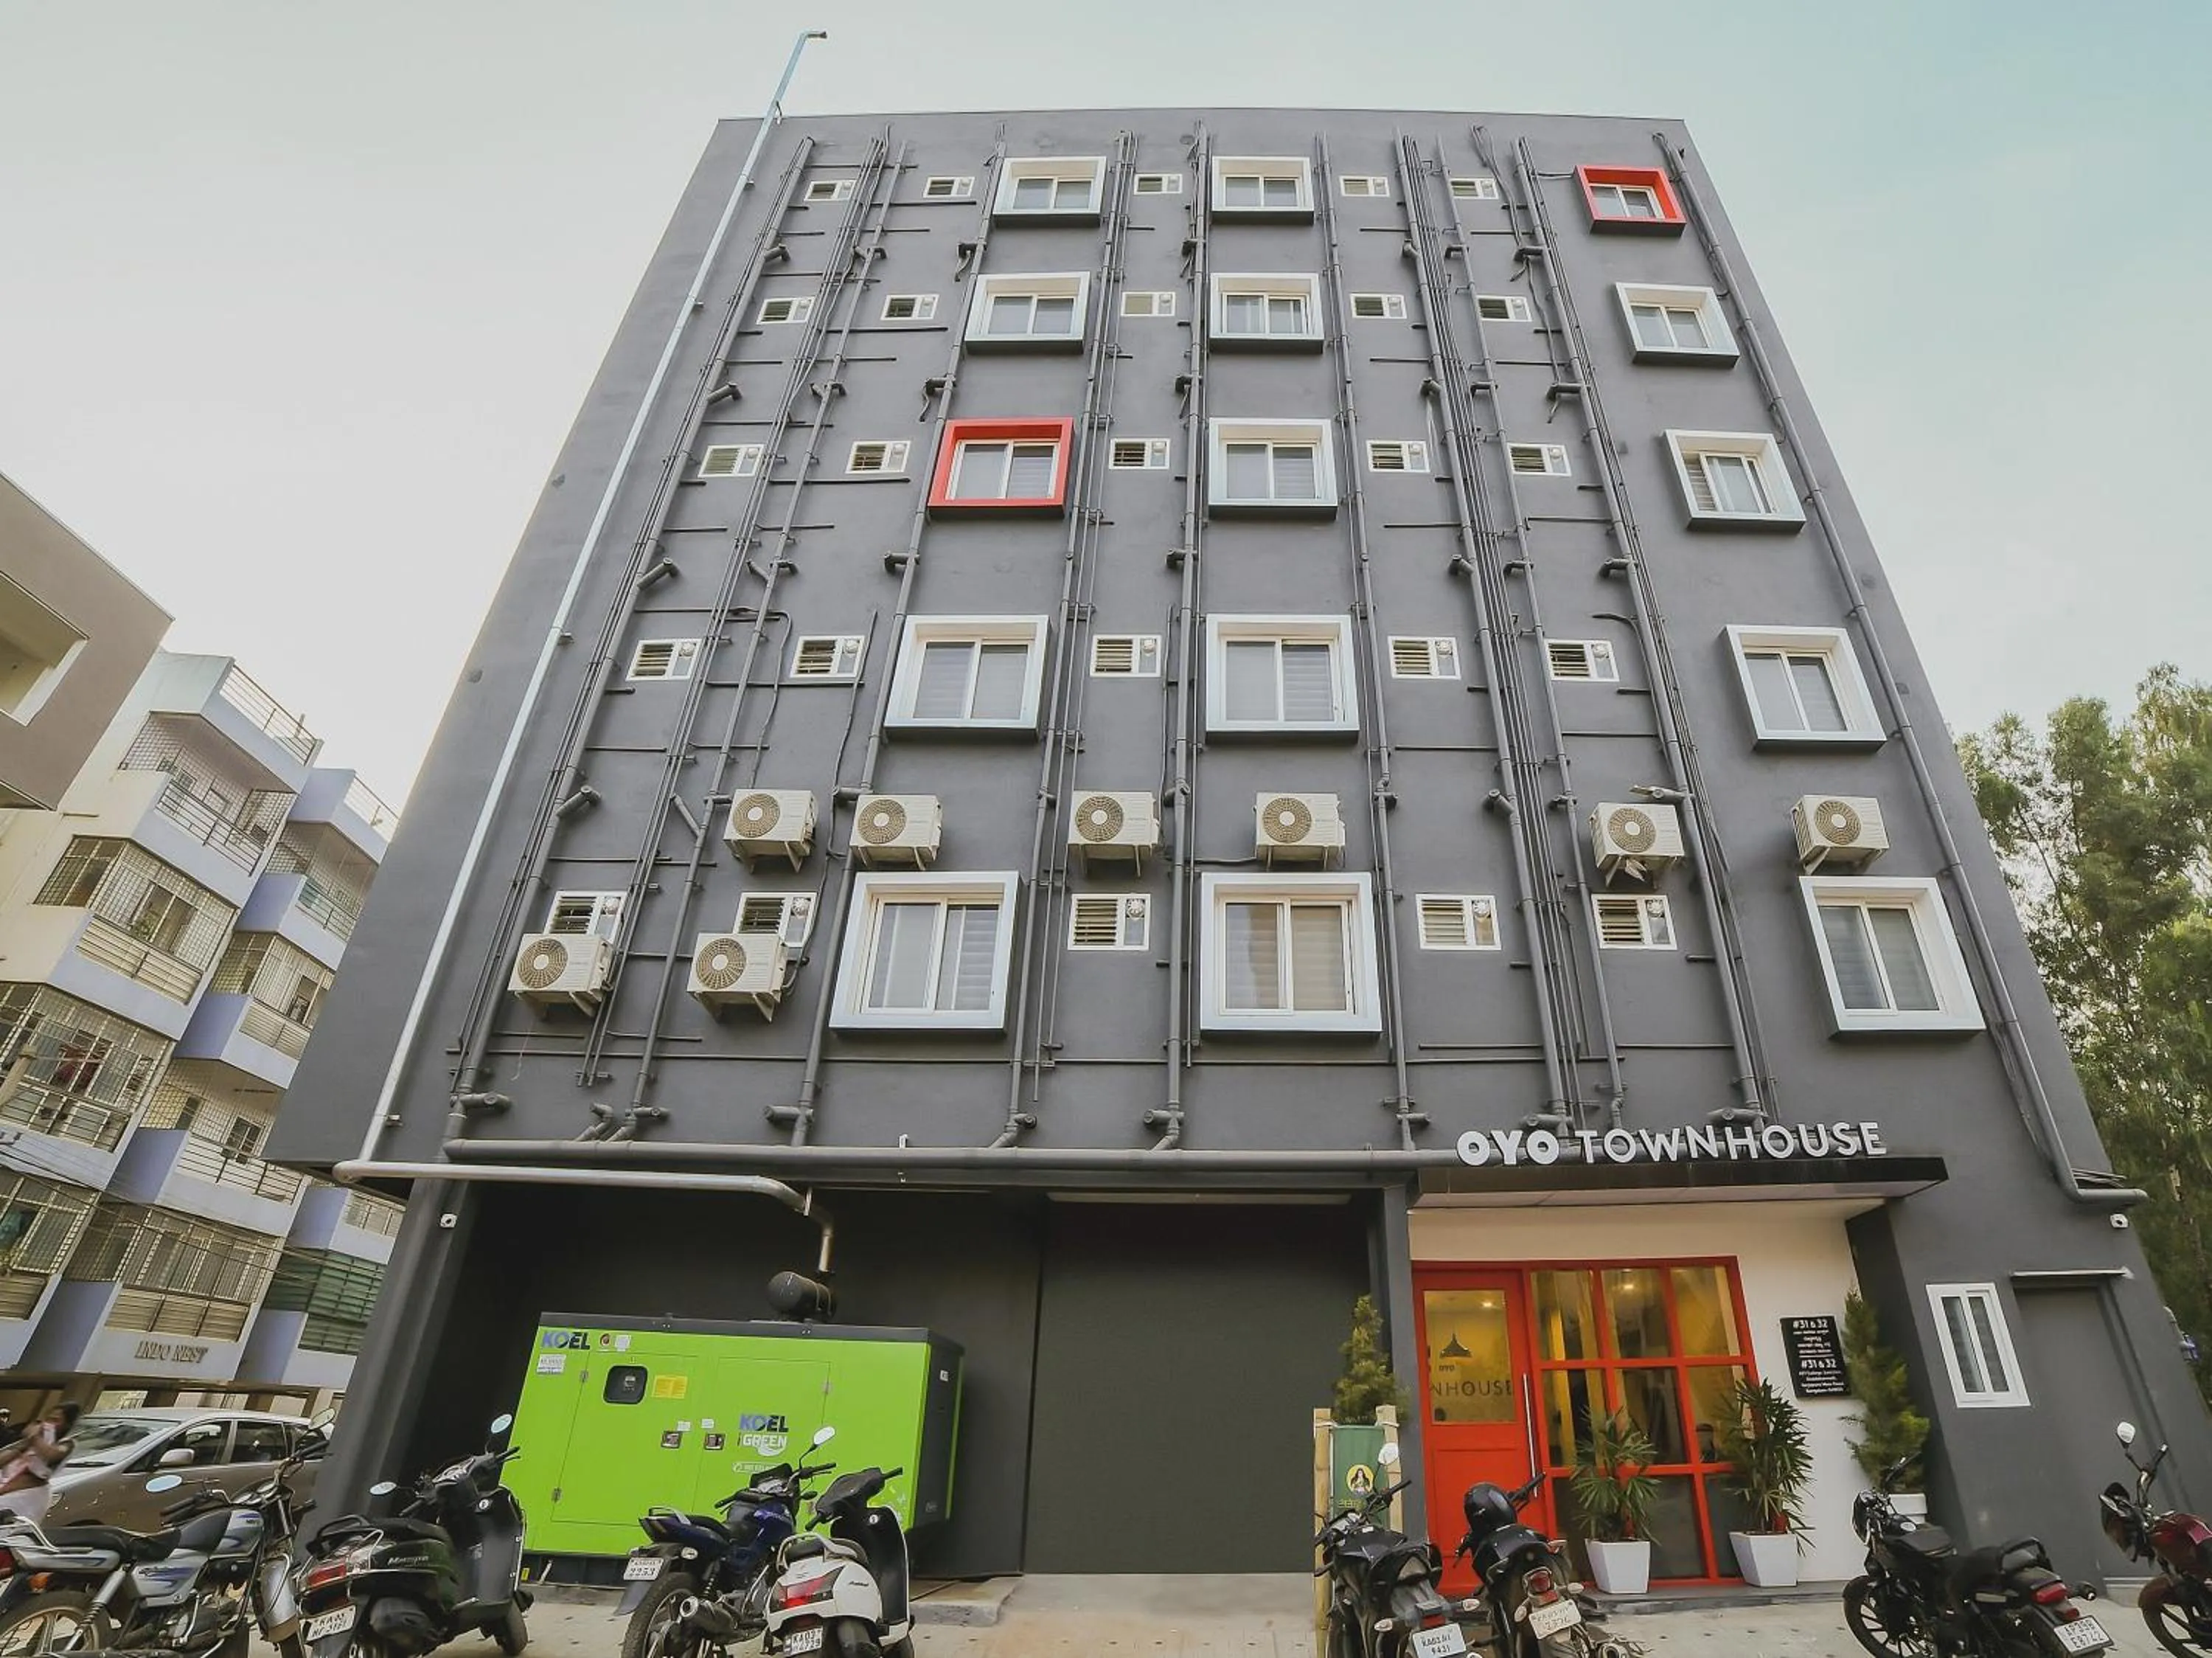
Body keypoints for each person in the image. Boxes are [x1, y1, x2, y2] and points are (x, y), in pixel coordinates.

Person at [0, 1403, 81, 1526]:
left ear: (67, 1425)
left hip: (25, 1498)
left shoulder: (67, 1444)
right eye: (48, 1419)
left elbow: (51, 1455)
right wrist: (25, 1444)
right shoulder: (31, 1443)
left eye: (55, 1420)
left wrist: (35, 1437)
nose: (48, 1424)